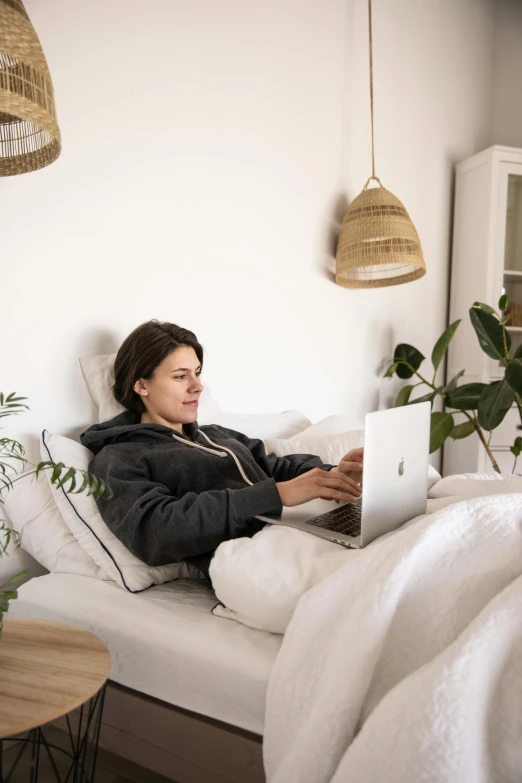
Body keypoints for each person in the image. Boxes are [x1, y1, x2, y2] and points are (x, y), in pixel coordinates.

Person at [80, 321, 363, 581]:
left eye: (198, 373)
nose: (198, 386)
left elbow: (280, 467)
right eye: (180, 376)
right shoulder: (119, 457)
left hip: (300, 536)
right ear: (141, 385)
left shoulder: (215, 435)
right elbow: (154, 532)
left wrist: (336, 475)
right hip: (255, 563)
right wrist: (276, 495)